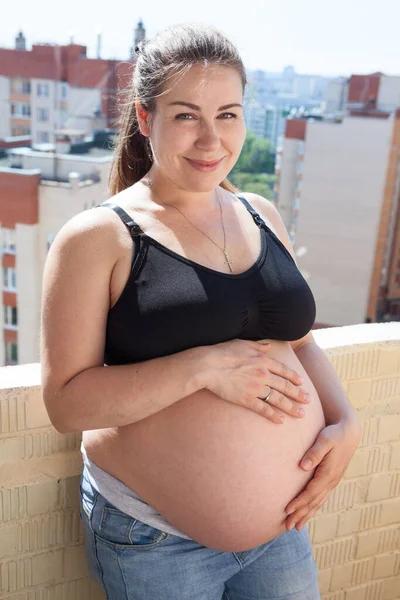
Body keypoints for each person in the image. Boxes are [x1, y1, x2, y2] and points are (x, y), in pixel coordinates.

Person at [40, 22, 361, 600]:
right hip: (156, 540)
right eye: (187, 115)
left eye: (229, 115)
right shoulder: (97, 238)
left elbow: (302, 342)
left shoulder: (259, 211)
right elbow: (67, 404)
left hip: (283, 531)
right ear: (145, 119)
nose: (212, 140)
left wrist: (346, 424)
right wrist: (204, 367)